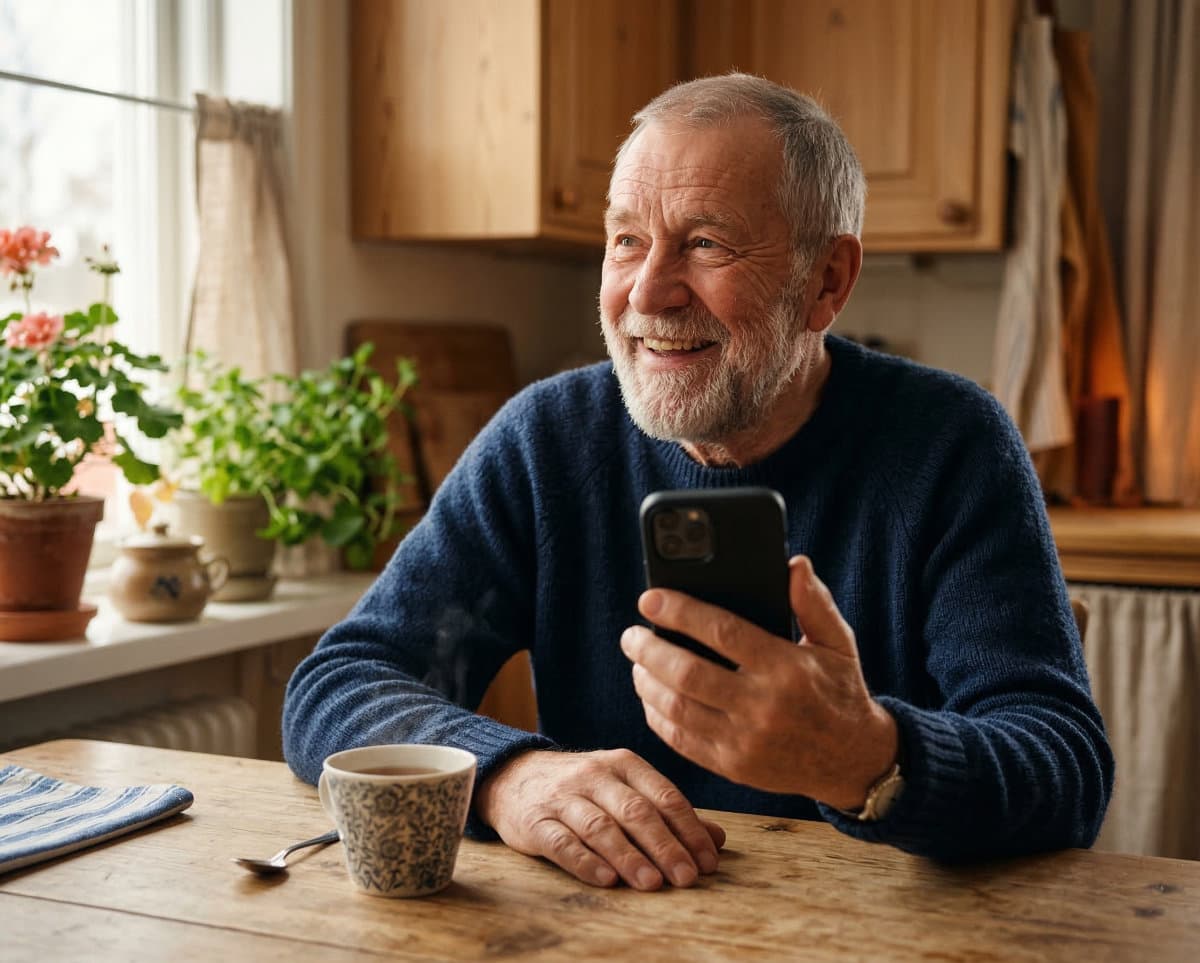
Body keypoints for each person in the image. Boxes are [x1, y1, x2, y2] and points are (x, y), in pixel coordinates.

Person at [283, 73, 1113, 891]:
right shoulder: (546, 440)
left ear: (827, 281)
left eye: (707, 243)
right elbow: (336, 683)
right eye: (626, 240)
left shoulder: (951, 444)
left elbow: (1066, 767)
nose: (647, 292)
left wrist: (869, 757)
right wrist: (510, 775)